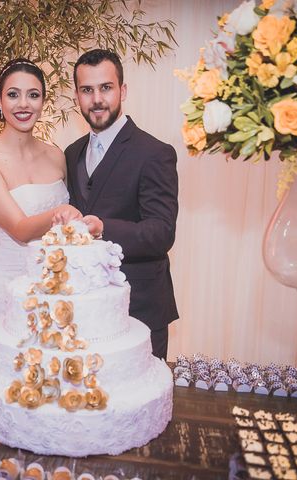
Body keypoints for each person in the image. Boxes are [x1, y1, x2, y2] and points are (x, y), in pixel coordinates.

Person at [0, 58, 100, 341]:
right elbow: (20, 229)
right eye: (13, 94)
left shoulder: (56, 156)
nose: (23, 104)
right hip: (2, 283)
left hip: (52, 285)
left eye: (33, 95)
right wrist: (59, 212)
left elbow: (72, 220)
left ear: (42, 102)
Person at [61, 49, 179, 360]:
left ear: (122, 91)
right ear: (77, 96)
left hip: (140, 308)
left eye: (106, 87)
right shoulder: (71, 153)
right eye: (87, 90)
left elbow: (161, 232)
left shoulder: (155, 152)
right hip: (84, 311)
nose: (97, 99)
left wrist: (103, 228)